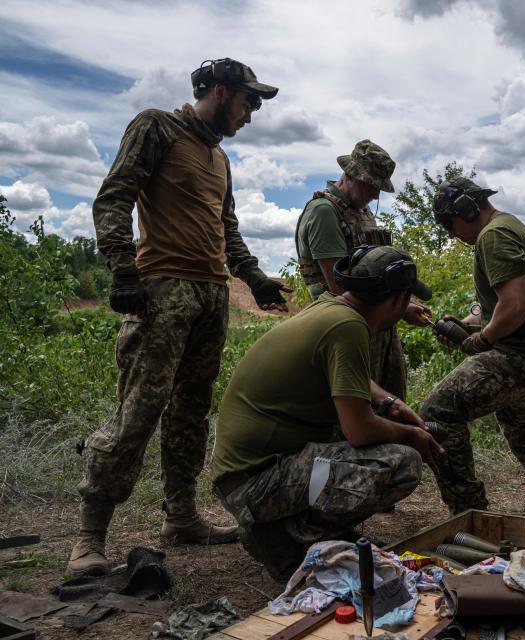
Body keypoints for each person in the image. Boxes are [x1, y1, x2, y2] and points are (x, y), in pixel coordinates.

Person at [69, 58, 290, 576]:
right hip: (161, 288)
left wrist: (253, 277)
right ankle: (89, 535)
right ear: (220, 91)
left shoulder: (220, 159)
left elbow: (226, 227)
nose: (251, 115)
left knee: (191, 411)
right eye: (248, 102)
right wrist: (123, 269)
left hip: (211, 296)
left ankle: (181, 517)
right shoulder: (156, 126)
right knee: (137, 412)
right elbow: (115, 195)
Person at [211, 245, 442, 580]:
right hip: (254, 485)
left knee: (359, 436)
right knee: (400, 462)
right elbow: (359, 430)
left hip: (245, 474)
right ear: (396, 300)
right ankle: (292, 539)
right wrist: (413, 435)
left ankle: (283, 527)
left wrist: (390, 403)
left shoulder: (331, 308)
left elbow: (346, 375)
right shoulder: (349, 327)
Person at [420, 176, 525, 520]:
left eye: (449, 225)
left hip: (520, 356)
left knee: (437, 413)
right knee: (516, 422)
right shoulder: (507, 226)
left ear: (464, 210)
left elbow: (515, 306)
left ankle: (468, 511)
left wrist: (481, 340)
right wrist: (470, 322)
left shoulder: (493, 237)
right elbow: (499, 301)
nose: (452, 235)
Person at [295, 140, 429, 400]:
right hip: (345, 330)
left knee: (392, 407)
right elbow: (340, 286)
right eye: (370, 185)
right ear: (349, 175)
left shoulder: (360, 210)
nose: (376, 195)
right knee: (358, 411)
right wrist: (400, 308)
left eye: (379, 188)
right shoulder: (324, 211)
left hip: (374, 326)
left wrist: (404, 304)